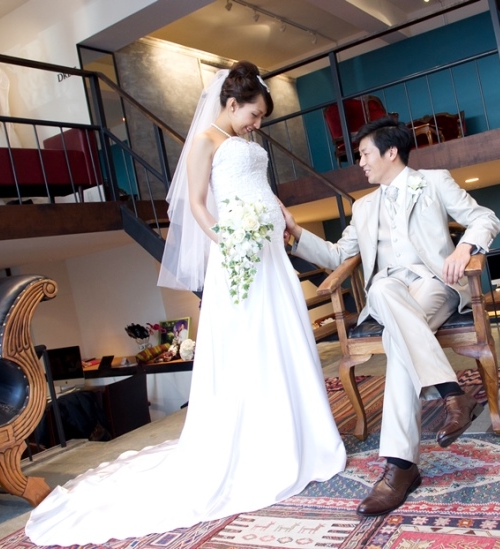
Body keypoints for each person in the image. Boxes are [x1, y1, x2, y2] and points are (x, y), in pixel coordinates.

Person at [25, 61, 346, 546]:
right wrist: (228, 241)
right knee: (251, 345)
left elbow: (258, 188)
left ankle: (305, 436)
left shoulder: (248, 143)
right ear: (231, 104)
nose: (257, 124)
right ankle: (262, 447)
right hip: (237, 256)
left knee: (284, 338)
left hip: (269, 255)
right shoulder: (204, 143)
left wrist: (279, 214)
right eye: (253, 115)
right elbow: (197, 204)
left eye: (261, 117)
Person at [281, 116, 500, 517]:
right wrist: (296, 232)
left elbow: (485, 218)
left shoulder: (433, 182)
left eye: (365, 154)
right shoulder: (362, 207)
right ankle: (452, 394)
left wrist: (463, 248)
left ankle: (401, 468)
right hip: (389, 292)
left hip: (434, 284)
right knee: (381, 288)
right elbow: (336, 255)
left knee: (397, 341)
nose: (360, 163)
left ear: (391, 151)